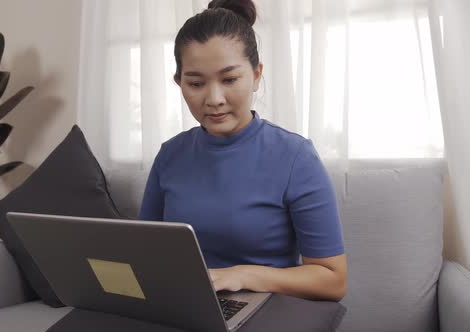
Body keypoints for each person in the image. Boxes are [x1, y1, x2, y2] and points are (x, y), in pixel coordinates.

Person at [138, 0, 346, 302]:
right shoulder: (170, 155)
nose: (214, 99)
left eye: (230, 79)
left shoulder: (295, 157)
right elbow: (145, 251)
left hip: (267, 308)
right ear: (178, 82)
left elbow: (333, 280)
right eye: (195, 83)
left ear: (257, 75)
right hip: (186, 306)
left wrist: (242, 274)